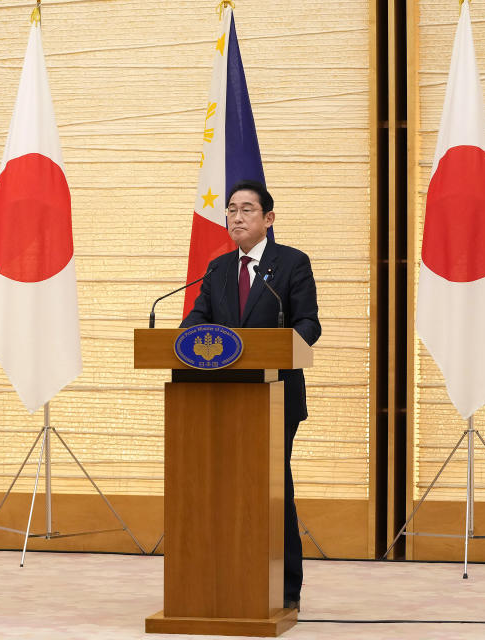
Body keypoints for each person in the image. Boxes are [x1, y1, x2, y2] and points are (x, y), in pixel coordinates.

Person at [181, 180, 321, 611]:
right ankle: (224, 580)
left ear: (268, 219)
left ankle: (285, 590)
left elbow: (309, 325)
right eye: (231, 210)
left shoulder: (292, 263)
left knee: (273, 490)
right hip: (220, 400)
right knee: (222, 490)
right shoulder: (218, 268)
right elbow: (193, 325)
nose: (236, 217)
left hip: (276, 395)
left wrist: (277, 349)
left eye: (247, 210)